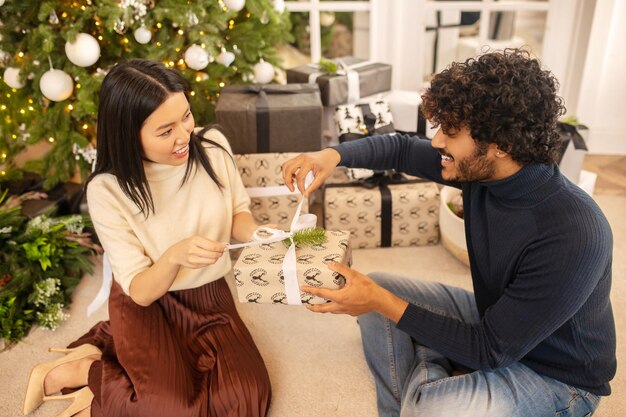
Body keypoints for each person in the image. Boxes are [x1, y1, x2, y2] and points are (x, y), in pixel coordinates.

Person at [281, 49, 616, 417]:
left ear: (501, 144)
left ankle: (428, 375)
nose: (437, 140)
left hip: (556, 377)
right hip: (495, 321)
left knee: (433, 404)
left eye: (451, 132)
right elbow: (400, 148)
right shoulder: (485, 172)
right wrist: (332, 155)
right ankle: (430, 376)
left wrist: (382, 303)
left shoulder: (574, 232)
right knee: (374, 288)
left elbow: (489, 352)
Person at [22, 59, 271, 417]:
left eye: (186, 116)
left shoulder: (214, 147)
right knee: (169, 409)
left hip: (210, 297)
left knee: (247, 399)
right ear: (128, 133)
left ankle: (107, 351)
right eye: (165, 130)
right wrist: (173, 256)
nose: (184, 136)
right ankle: (86, 371)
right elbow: (139, 288)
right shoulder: (108, 190)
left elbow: (238, 213)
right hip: (145, 303)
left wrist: (260, 233)